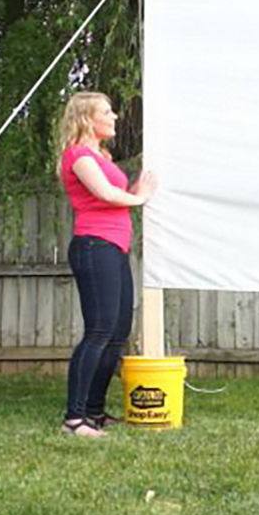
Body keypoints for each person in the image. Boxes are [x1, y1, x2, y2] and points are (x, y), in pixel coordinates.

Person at [56, 91, 157, 438]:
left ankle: (95, 412)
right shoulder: (79, 156)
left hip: (114, 246)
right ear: (87, 119)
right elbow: (107, 195)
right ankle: (74, 419)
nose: (114, 116)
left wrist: (137, 186)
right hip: (93, 246)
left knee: (117, 334)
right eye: (107, 111)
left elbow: (116, 195)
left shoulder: (102, 156)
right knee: (98, 331)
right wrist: (140, 197)